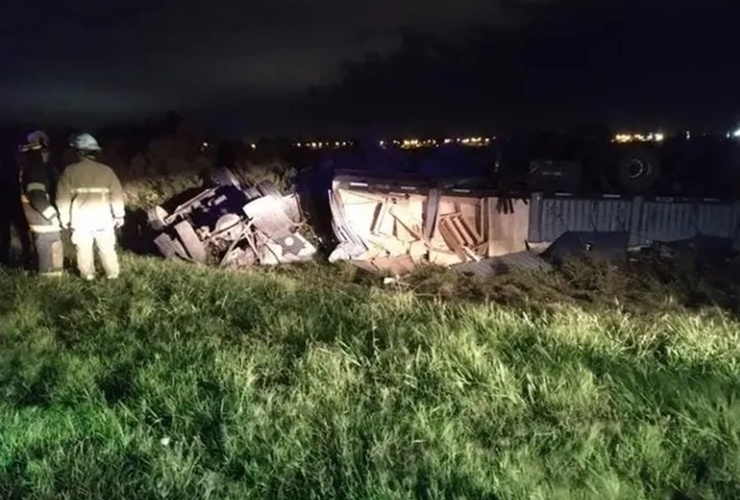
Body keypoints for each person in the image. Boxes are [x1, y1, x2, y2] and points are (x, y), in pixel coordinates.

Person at [56, 133, 125, 280]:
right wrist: (119, 215)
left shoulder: (69, 171)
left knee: (83, 249)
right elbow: (117, 194)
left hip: (81, 219)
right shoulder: (107, 171)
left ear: (79, 152)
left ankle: (88, 275)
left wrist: (64, 218)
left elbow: (62, 198)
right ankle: (112, 275)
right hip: (103, 218)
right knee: (107, 248)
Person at [17, 130, 64, 276]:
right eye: (46, 151)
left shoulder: (30, 165)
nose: (48, 154)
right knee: (49, 245)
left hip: (36, 215)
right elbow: (36, 195)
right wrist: (52, 215)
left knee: (44, 245)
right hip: (41, 217)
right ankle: (49, 280)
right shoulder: (36, 167)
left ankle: (44, 274)